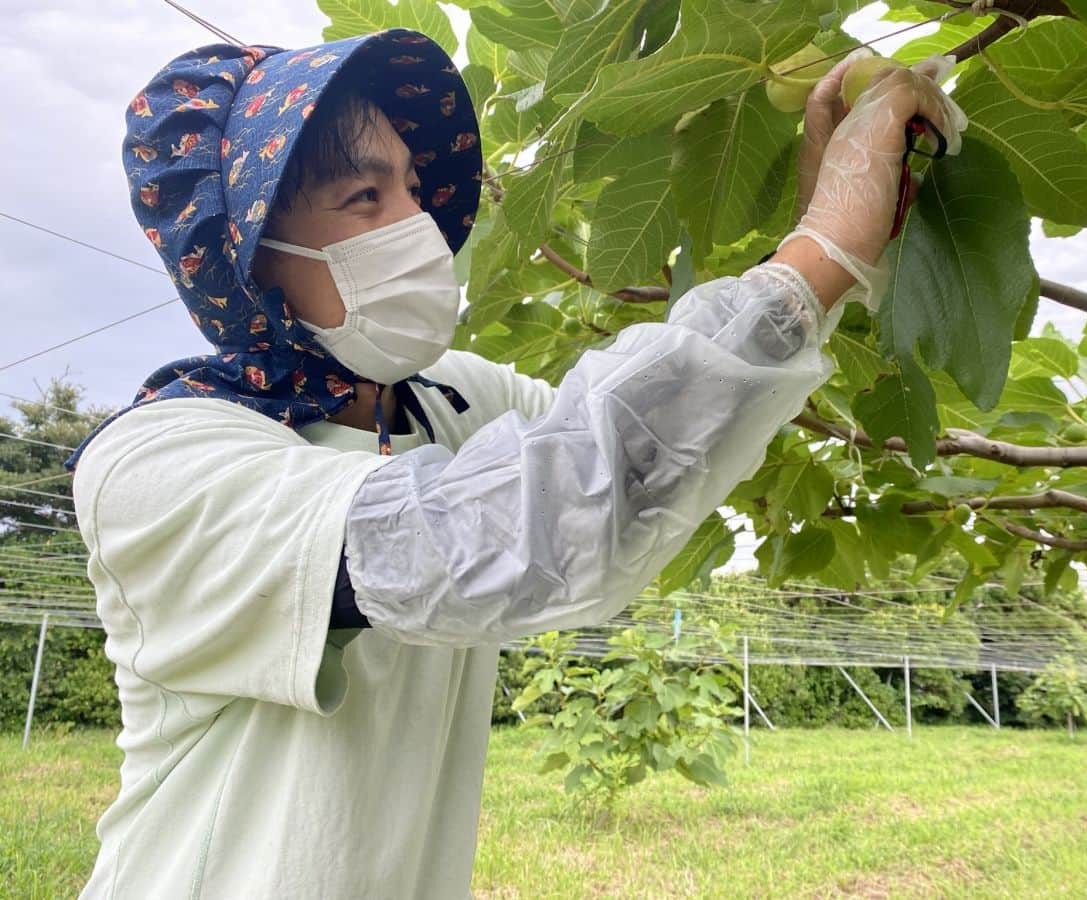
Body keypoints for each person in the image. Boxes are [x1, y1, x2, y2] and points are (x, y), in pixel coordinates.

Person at [69, 27, 965, 899]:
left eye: (414, 189)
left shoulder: (448, 400)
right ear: (250, 250)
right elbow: (514, 521)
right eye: (364, 199)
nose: (417, 223)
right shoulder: (157, 463)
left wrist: (825, 247)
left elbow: (654, 446)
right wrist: (819, 253)